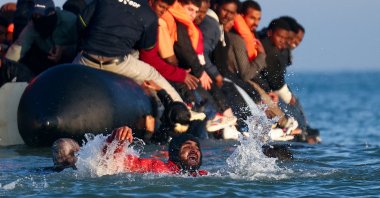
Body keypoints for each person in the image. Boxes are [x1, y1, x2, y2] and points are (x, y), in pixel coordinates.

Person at [74, 0, 183, 103]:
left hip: (86, 59)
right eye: (162, 7)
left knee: (68, 76)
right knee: (151, 73)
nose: (163, 12)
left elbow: (81, 23)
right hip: (117, 63)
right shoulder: (149, 15)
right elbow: (146, 50)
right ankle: (181, 109)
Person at [52, 126, 208, 176]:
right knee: (63, 147)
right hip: (79, 171)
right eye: (188, 146)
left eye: (197, 148)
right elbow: (110, 162)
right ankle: (66, 161)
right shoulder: (155, 167)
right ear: (174, 152)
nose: (194, 150)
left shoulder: (203, 176)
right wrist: (116, 139)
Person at [5, 0, 78, 75]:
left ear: (52, 13)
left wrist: (63, 49)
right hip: (44, 63)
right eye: (35, 15)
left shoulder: (71, 21)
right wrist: (5, 66)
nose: (38, 18)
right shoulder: (32, 25)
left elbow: (81, 47)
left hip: (70, 64)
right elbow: (19, 47)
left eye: (42, 15)